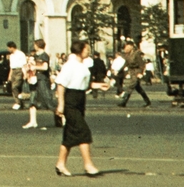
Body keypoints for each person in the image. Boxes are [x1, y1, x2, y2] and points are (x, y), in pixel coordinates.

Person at [54, 42, 108, 176]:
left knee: (70, 134)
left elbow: (82, 83)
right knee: (83, 132)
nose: (88, 51)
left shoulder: (82, 65)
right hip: (70, 101)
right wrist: (61, 105)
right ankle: (88, 165)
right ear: (80, 50)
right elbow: (61, 85)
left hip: (80, 99)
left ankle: (60, 164)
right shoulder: (69, 65)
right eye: (87, 49)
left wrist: (98, 86)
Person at [24, 40, 55, 129]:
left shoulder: (44, 56)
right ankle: (32, 121)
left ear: (38, 45)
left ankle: (63, 118)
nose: (34, 46)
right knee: (32, 99)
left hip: (42, 80)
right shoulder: (35, 56)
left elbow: (45, 67)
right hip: (34, 80)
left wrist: (35, 67)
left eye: (35, 44)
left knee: (48, 100)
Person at [116, 41, 152, 108]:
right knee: (138, 88)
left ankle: (124, 102)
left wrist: (140, 73)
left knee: (130, 86)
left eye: (127, 46)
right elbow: (126, 64)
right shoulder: (128, 55)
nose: (126, 48)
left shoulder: (136, 54)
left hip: (136, 72)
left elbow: (142, 64)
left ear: (131, 46)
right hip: (132, 72)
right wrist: (119, 71)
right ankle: (148, 102)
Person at [5, 42, 27, 110]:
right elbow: (11, 67)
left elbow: (24, 64)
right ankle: (21, 103)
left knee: (15, 86)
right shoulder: (11, 56)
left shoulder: (21, 54)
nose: (8, 49)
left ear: (12, 47)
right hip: (13, 71)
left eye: (8, 48)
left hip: (19, 71)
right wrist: (9, 76)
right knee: (14, 88)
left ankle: (18, 103)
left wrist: (25, 73)